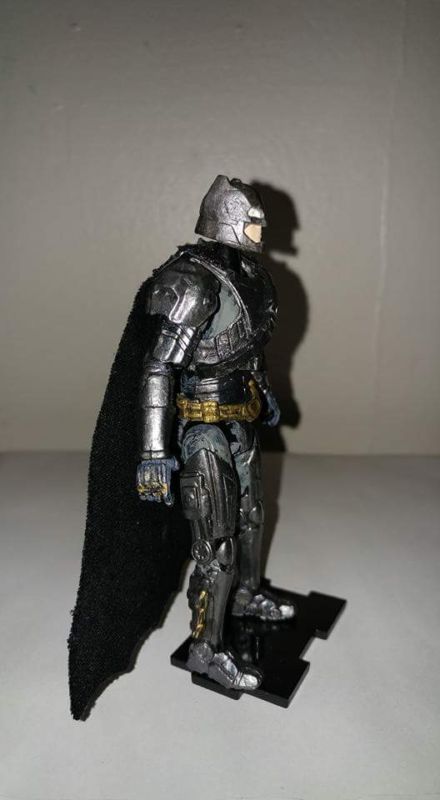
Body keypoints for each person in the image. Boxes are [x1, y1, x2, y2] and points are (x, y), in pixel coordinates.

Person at [136, 175, 294, 692]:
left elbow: (249, 346)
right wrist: (154, 452)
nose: (260, 231)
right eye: (252, 222)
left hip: (239, 413)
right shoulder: (191, 279)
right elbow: (159, 367)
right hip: (202, 427)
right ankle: (205, 649)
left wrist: (263, 391)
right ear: (227, 221)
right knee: (216, 544)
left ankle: (245, 596)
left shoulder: (250, 276)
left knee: (253, 515)